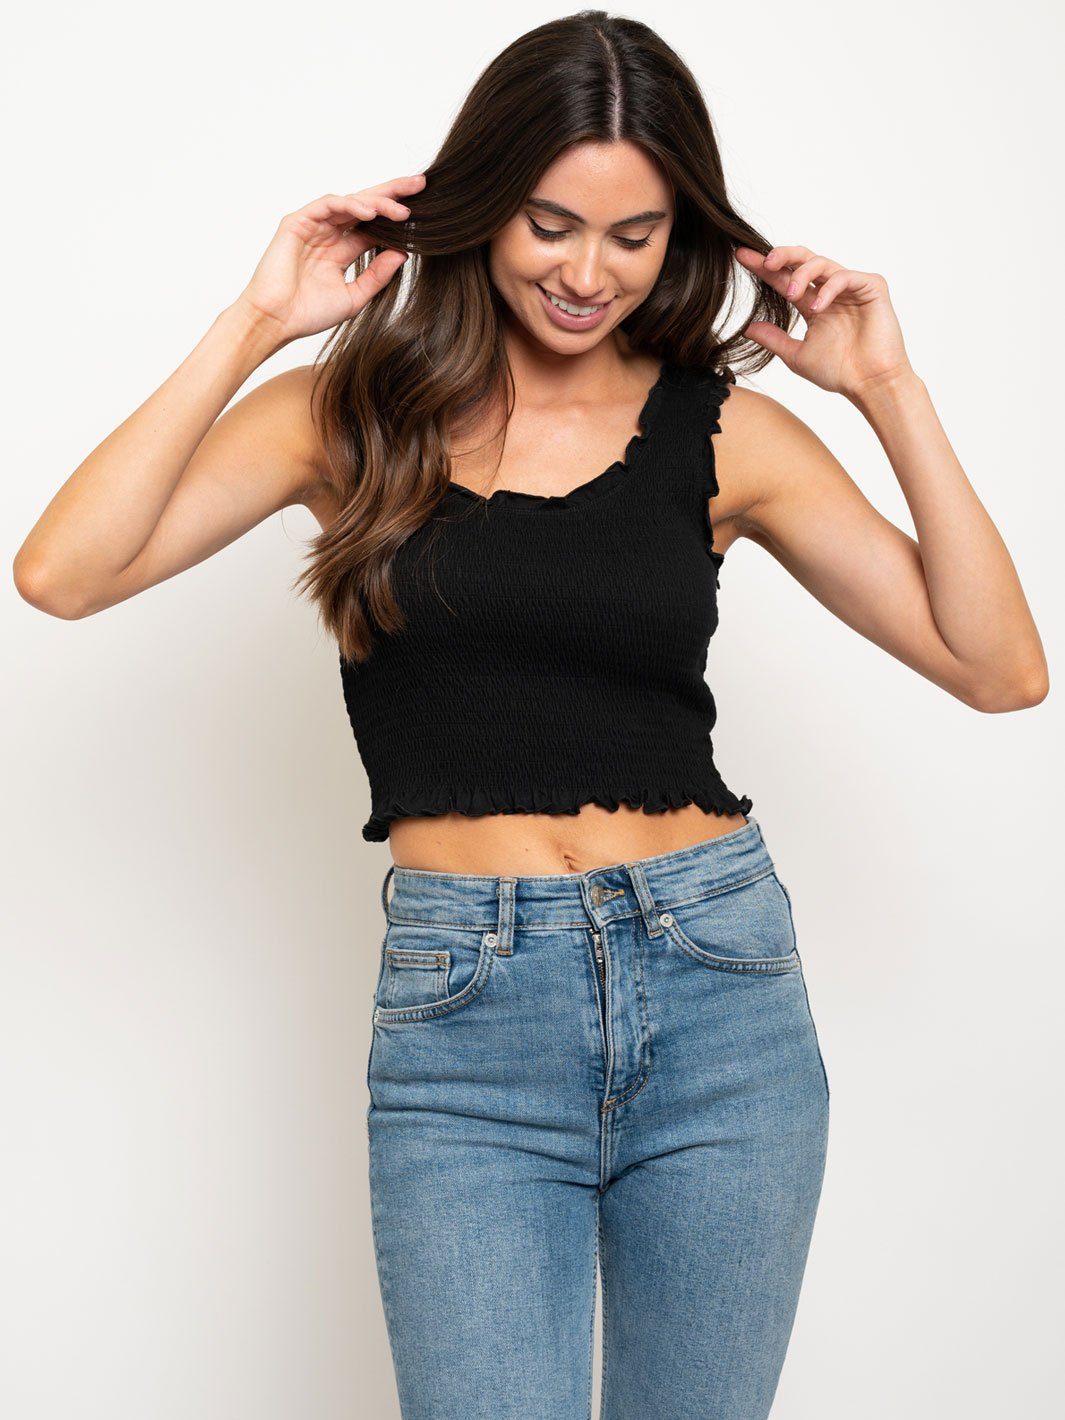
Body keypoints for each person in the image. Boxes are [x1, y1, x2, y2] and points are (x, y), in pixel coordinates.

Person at [12, 10, 1048, 1419]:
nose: (587, 274)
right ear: (483, 208)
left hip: (718, 993)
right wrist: (256, 320)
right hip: (467, 1022)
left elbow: (998, 669)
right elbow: (63, 574)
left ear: (679, 235)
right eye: (550, 225)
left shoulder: (725, 432)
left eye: (633, 236)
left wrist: (888, 389)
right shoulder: (346, 415)